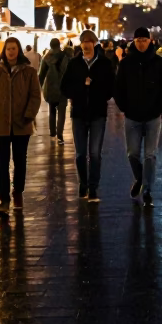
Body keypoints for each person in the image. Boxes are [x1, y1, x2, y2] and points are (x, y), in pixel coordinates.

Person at [0, 36, 41, 218]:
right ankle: (4, 199)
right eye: (8, 49)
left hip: (22, 125)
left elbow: (35, 96)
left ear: (18, 50)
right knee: (2, 163)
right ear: (4, 51)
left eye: (14, 48)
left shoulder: (28, 72)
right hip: (0, 124)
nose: (11, 52)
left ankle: (18, 192)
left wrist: (28, 115)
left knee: (20, 161)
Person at [113, 27, 162, 207]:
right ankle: (140, 178)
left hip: (153, 116)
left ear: (150, 41)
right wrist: (124, 107)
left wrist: (159, 108)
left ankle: (147, 189)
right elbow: (118, 88)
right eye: (138, 39)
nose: (141, 43)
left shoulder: (159, 62)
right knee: (132, 153)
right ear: (134, 41)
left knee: (150, 155)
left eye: (144, 40)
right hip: (132, 116)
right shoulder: (126, 63)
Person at [60, 28, 115, 201]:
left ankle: (93, 187)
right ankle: (83, 183)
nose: (86, 45)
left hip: (98, 113)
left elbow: (110, 87)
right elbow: (65, 87)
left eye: (89, 42)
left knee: (95, 153)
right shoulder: (74, 63)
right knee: (80, 154)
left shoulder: (104, 63)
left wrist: (96, 87)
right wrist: (81, 87)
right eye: (83, 42)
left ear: (94, 43)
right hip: (79, 113)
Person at [39, 38, 70, 143]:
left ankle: (52, 132)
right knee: (61, 112)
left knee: (52, 111)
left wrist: (38, 87)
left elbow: (41, 75)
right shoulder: (65, 56)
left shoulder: (46, 57)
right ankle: (60, 135)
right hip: (63, 88)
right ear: (59, 44)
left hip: (51, 88)